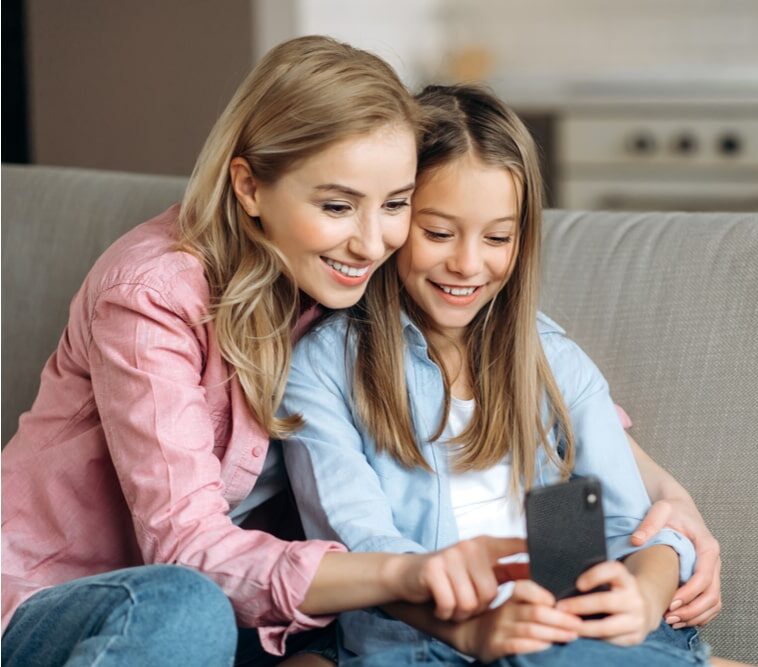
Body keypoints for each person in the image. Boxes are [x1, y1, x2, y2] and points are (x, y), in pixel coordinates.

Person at [0, 37, 527, 667]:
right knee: (186, 608)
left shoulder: (355, 279)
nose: (370, 242)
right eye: (336, 206)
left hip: (237, 612)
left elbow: (524, 359)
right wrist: (404, 574)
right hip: (55, 602)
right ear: (249, 186)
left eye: (394, 204)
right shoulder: (152, 295)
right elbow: (187, 548)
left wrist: (665, 511)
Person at [278, 84, 713, 666]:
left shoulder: (548, 361)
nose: (467, 263)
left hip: (568, 631)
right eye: (437, 232)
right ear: (396, 214)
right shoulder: (328, 367)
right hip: (423, 643)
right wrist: (481, 625)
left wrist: (644, 592)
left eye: (498, 238)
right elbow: (365, 547)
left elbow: (631, 525)